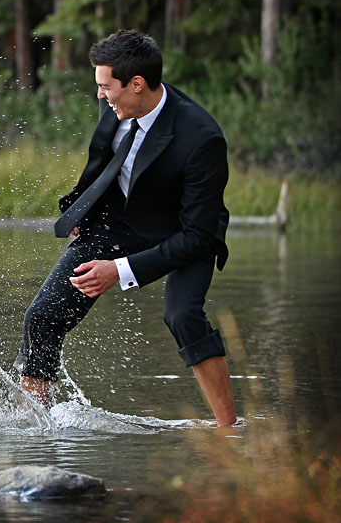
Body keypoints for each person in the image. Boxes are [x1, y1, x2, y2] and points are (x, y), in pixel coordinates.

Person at [16, 30, 237, 427]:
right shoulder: (117, 103)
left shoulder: (202, 139)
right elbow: (105, 162)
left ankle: (229, 429)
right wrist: (84, 215)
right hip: (118, 223)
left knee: (182, 315)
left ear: (137, 84)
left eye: (106, 87)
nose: (100, 95)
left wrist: (118, 270)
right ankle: (30, 427)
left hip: (185, 232)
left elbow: (199, 235)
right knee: (43, 316)